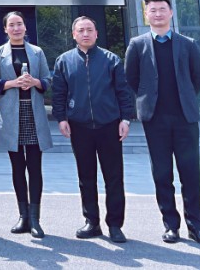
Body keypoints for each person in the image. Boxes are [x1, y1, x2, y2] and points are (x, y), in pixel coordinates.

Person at [125, 0, 200, 246]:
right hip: (155, 120)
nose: (158, 14)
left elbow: (199, 78)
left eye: (162, 9)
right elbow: (132, 79)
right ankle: (171, 226)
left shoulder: (188, 44)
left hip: (185, 118)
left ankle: (196, 227)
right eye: (152, 10)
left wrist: (185, 96)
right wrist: (147, 100)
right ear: (146, 15)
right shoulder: (137, 45)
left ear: (171, 12)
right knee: (162, 174)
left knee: (190, 173)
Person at [52, 16, 135, 243]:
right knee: (86, 177)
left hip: (109, 125)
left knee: (114, 177)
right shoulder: (64, 61)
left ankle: (115, 224)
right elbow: (58, 93)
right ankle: (92, 222)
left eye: (89, 29)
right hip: (79, 127)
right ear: (74, 34)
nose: (85, 34)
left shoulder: (111, 59)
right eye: (81, 30)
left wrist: (125, 119)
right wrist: (61, 118)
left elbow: (123, 91)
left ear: (96, 33)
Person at [0, 11, 53, 238]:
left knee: (35, 166)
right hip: (10, 114)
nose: (16, 28)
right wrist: (13, 83)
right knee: (17, 167)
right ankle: (22, 216)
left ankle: (35, 219)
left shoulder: (37, 52)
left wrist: (35, 82)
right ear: (5, 29)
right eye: (12, 25)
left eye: (19, 24)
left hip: (33, 113)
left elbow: (47, 80)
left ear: (25, 27)